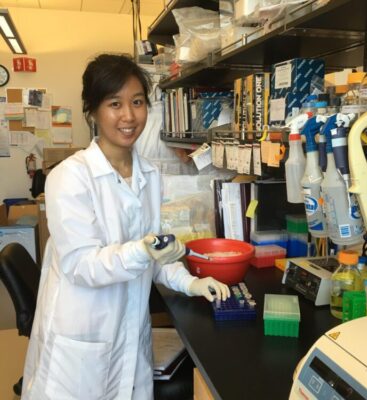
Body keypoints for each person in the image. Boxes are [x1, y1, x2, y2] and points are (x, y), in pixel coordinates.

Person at [21, 53, 230, 400]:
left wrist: (191, 282)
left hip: (130, 334)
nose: (129, 116)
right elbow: (81, 265)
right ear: (92, 110)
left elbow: (155, 256)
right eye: (114, 104)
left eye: (137, 102)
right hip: (82, 340)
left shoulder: (149, 174)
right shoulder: (69, 178)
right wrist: (142, 250)